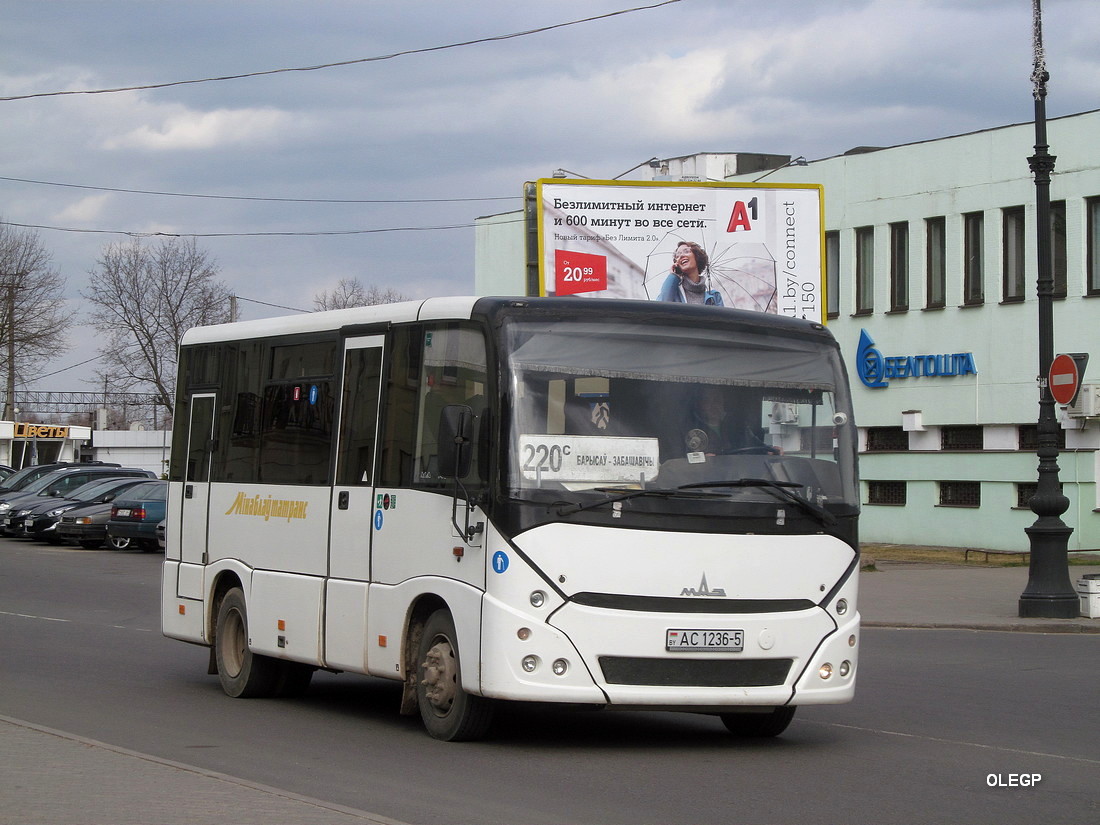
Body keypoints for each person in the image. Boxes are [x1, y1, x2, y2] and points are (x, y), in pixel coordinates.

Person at [658, 241, 723, 305]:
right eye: (677, 255)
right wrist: (673, 276)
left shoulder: (714, 296)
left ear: (697, 256)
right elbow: (661, 306)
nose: (681, 256)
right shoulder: (673, 291)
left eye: (686, 251)